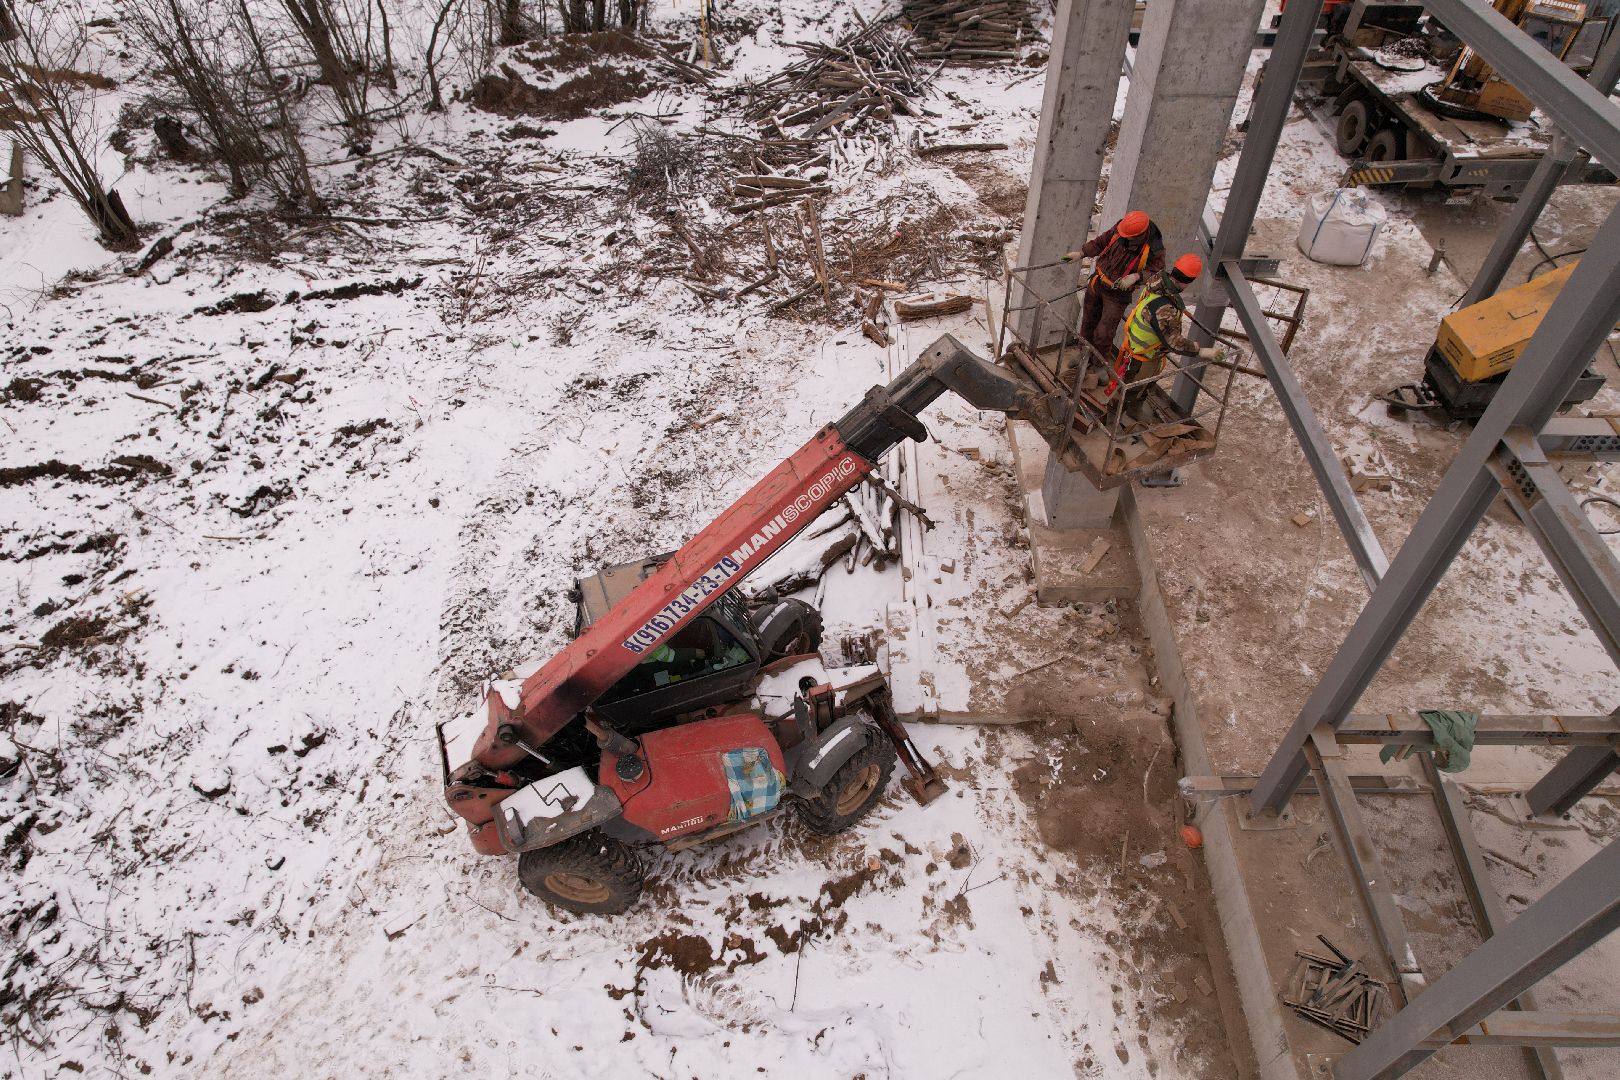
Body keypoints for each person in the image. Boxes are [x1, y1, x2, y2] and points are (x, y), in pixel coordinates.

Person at [1109, 253, 1224, 398]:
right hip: (1143, 356)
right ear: (1190, 281)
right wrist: (1202, 351)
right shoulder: (1164, 308)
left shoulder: (1157, 281)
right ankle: (1113, 416)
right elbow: (1174, 342)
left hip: (1143, 349)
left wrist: (1136, 276)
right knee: (1130, 392)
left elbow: (1148, 277)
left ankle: (1133, 409)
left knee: (1143, 388)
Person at [1061, 210, 1165, 367]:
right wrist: (1081, 253)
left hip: (1117, 295)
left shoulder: (1154, 249)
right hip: (1098, 282)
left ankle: (1098, 365)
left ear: (1139, 235)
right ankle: (1083, 355)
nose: (1123, 237)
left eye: (1127, 237)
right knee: (1088, 322)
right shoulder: (1121, 229)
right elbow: (1101, 242)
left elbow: (1157, 273)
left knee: (1104, 333)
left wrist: (1136, 277)